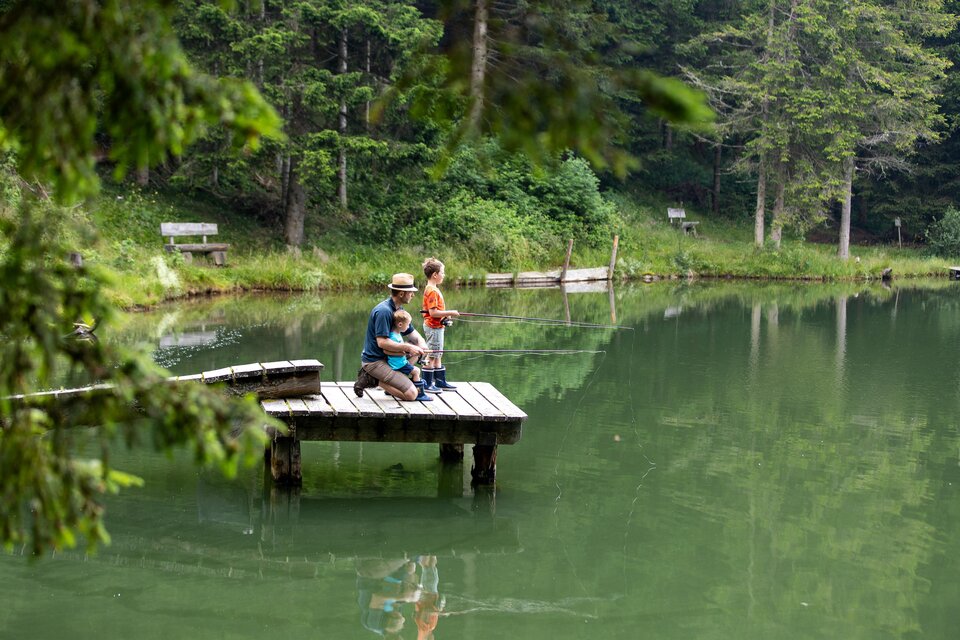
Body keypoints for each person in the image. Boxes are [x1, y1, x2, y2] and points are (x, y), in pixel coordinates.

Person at [354, 273, 428, 401]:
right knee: (411, 395)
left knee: (416, 348)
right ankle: (373, 379)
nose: (413, 294)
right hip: (375, 362)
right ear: (401, 293)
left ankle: (395, 383)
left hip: (389, 358)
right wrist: (408, 347)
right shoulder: (384, 312)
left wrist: (422, 344)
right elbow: (382, 342)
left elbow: (413, 334)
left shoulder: (398, 310)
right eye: (410, 292)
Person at [420, 257, 460, 392]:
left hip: (437, 327)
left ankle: (439, 381)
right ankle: (427, 384)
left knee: (438, 354)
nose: (444, 275)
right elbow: (433, 313)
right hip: (433, 327)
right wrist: (451, 312)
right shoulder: (431, 290)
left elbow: (437, 312)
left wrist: (445, 315)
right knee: (432, 354)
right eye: (442, 272)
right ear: (435, 275)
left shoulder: (433, 288)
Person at [388, 310, 432, 402]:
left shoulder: (395, 334)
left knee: (413, 371)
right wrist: (410, 352)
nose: (408, 327)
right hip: (398, 364)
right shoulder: (393, 337)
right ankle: (419, 393)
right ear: (400, 325)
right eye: (407, 325)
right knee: (416, 371)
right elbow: (394, 350)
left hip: (398, 362)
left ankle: (403, 386)